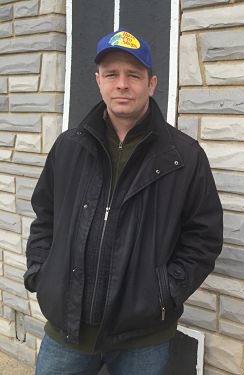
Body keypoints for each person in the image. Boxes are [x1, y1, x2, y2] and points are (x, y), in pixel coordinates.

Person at [23, 29, 223, 374]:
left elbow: (203, 238)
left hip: (142, 339)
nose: (122, 84)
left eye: (133, 75)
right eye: (112, 74)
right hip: (66, 331)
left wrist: (165, 292)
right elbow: (45, 217)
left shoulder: (185, 157)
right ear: (98, 81)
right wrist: (42, 273)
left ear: (152, 83)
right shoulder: (68, 147)